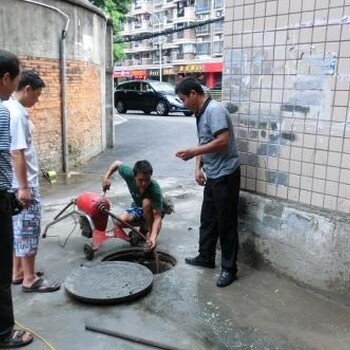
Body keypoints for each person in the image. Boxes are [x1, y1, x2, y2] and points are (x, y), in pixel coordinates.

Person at [175, 77, 240, 288]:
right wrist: (197, 167)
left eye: (184, 99)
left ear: (194, 94)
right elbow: (204, 141)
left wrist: (194, 152)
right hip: (213, 174)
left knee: (226, 224)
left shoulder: (215, 111)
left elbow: (223, 140)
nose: (183, 103)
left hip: (226, 175)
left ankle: (229, 269)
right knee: (208, 219)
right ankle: (206, 257)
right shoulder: (201, 113)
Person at [5, 70, 60, 293]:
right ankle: (29, 278)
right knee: (28, 228)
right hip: (24, 184)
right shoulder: (17, 115)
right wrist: (25, 187)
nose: (37, 101)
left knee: (18, 229)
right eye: (36, 95)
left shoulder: (8, 106)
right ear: (26, 89)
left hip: (13, 183)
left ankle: (17, 272)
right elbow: (17, 152)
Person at [0, 50, 33, 347]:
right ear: (6, 78)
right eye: (15, 80)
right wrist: (20, 188)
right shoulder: (2, 111)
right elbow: (12, 153)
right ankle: (5, 333)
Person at [102, 160, 164, 251]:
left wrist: (153, 237)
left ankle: (149, 232)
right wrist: (105, 178)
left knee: (146, 202)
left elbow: (157, 216)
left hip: (155, 208)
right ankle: (144, 227)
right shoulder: (128, 174)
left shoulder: (155, 189)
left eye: (147, 180)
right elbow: (117, 163)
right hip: (138, 206)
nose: (144, 183)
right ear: (134, 176)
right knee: (119, 221)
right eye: (140, 180)